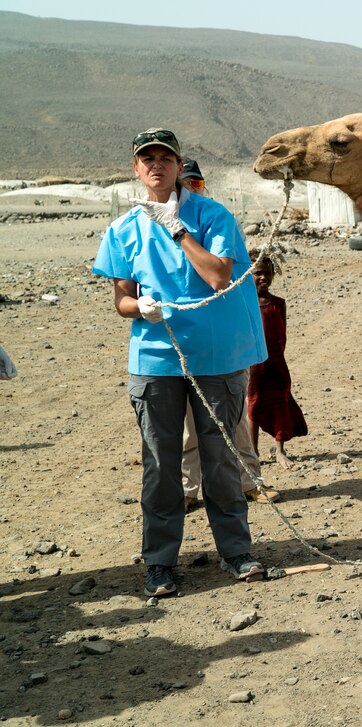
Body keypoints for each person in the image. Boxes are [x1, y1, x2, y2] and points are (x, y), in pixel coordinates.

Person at [92, 128, 269, 597]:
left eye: (164, 157)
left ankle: (237, 553)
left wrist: (178, 228)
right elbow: (122, 302)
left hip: (217, 356)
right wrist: (139, 308)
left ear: (178, 165)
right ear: (136, 169)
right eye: (146, 158)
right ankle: (160, 564)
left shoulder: (213, 216)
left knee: (220, 458)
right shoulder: (123, 230)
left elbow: (217, 275)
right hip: (155, 358)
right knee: (160, 465)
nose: (156, 165)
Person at [176, 158, 279, 509]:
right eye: (184, 184)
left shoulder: (218, 221)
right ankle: (190, 491)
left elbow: (225, 277)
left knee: (233, 419)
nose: (189, 191)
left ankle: (250, 482)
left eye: (197, 185)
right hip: (185, 338)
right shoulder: (156, 228)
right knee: (189, 423)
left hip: (225, 339)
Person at [247, 251, 307, 469]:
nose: (263, 278)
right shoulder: (245, 304)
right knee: (253, 404)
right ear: (248, 275)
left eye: (268, 273)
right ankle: (252, 451)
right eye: (258, 274)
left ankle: (280, 450)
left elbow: (282, 333)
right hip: (253, 363)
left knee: (280, 400)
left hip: (276, 361)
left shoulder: (278, 303)